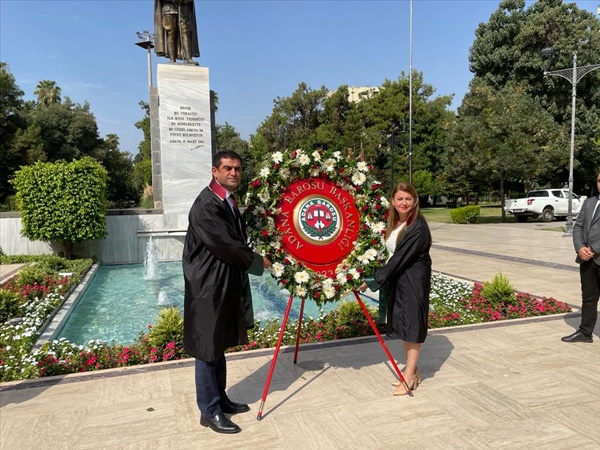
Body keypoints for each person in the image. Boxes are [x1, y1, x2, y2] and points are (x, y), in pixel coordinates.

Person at [182, 150, 271, 434]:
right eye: (228, 168)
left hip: (221, 282)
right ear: (215, 171)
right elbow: (226, 244)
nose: (233, 173)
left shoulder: (226, 200)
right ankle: (208, 411)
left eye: (237, 169)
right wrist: (258, 262)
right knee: (208, 348)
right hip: (207, 285)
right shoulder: (207, 204)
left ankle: (220, 400)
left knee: (217, 345)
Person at [362, 182, 432, 395]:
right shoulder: (394, 224)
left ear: (415, 201)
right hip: (399, 281)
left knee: (412, 327)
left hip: (413, 282)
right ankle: (413, 371)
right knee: (403, 326)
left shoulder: (418, 227)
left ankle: (409, 376)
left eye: (408, 199)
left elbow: (400, 258)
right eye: (400, 199)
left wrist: (373, 280)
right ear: (392, 201)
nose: (404, 203)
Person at [562, 171, 600, 343]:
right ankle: (585, 333)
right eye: (599, 180)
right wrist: (579, 248)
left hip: (594, 254)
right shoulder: (589, 202)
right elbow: (578, 227)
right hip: (587, 260)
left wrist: (593, 249)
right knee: (589, 298)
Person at [154, 0, 200, 65]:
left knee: (186, 32)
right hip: (168, 9)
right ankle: (172, 59)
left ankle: (188, 58)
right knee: (170, 33)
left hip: (183, 9)